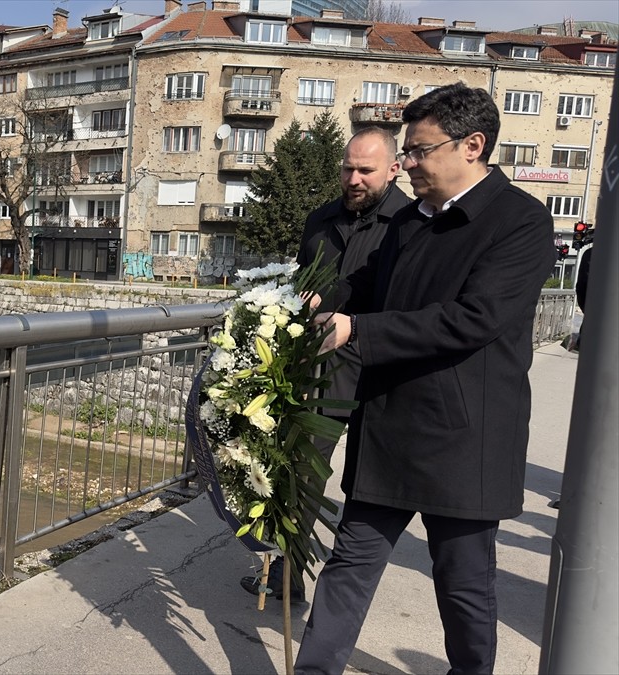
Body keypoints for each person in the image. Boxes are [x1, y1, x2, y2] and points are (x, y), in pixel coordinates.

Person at [296, 83, 554, 674]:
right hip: (389, 425)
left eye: (417, 151)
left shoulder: (521, 222)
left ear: (472, 146)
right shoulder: (409, 220)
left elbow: (475, 319)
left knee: (463, 585)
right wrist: (303, 306)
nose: (407, 163)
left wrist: (357, 330)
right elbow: (368, 289)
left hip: (465, 438)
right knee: (349, 565)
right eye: (406, 153)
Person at [238, 126, 411, 603]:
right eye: (347, 168)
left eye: (365, 170)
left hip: (387, 371)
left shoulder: (412, 223)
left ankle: (345, 590)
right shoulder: (320, 219)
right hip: (323, 368)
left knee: (371, 488)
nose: (354, 179)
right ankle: (286, 578)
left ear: (394, 169)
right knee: (301, 473)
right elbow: (299, 282)